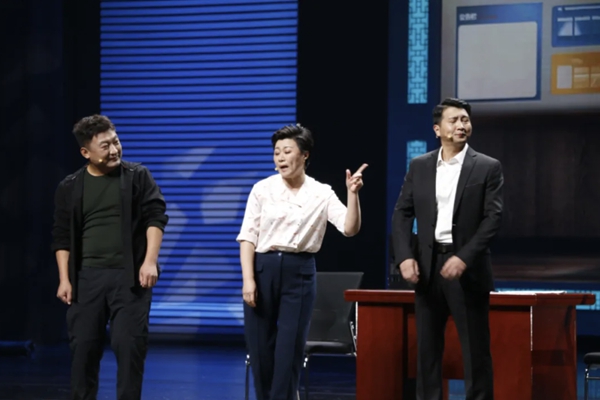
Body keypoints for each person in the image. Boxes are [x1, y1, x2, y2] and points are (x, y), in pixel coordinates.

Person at [237, 124, 367, 400]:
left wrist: (352, 194)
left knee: (290, 349)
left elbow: (349, 228)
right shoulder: (262, 189)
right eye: (276, 152)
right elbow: (247, 236)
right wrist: (248, 280)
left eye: (287, 151)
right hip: (263, 269)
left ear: (304, 155)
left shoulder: (321, 192)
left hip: (300, 271)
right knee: (260, 350)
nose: (280, 158)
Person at [392, 98, 503, 400]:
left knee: (475, 353)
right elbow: (402, 213)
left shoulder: (487, 167)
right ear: (437, 129)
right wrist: (404, 256)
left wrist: (464, 257)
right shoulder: (420, 165)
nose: (461, 125)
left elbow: (493, 219)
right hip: (427, 269)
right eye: (453, 120)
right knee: (427, 353)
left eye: (465, 119)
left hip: (468, 270)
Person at [51, 114, 168, 400]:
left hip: (129, 278)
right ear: (86, 152)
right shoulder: (70, 186)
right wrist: (64, 279)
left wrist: (149, 261)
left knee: (129, 348)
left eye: (116, 142)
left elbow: (156, 217)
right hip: (86, 279)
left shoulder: (137, 176)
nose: (114, 150)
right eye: (105, 146)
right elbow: (62, 236)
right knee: (83, 351)